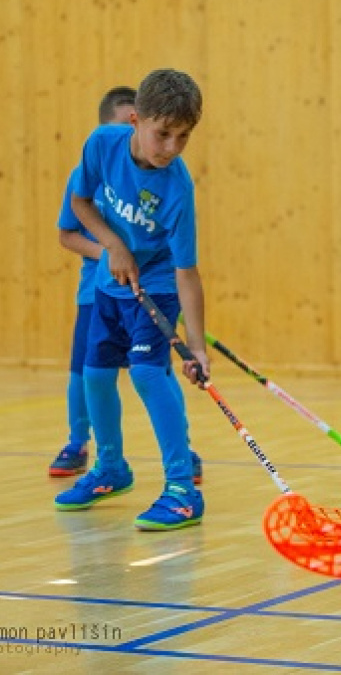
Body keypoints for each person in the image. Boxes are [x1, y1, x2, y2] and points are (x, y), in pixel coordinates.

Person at [55, 69, 209, 532]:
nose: (172, 148)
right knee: (96, 378)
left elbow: (187, 273)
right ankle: (111, 469)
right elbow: (80, 205)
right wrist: (113, 248)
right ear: (137, 121)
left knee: (145, 373)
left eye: (183, 138)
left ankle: (182, 488)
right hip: (109, 282)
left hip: (157, 284)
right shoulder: (102, 143)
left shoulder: (178, 190)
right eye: (163, 134)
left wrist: (197, 346)